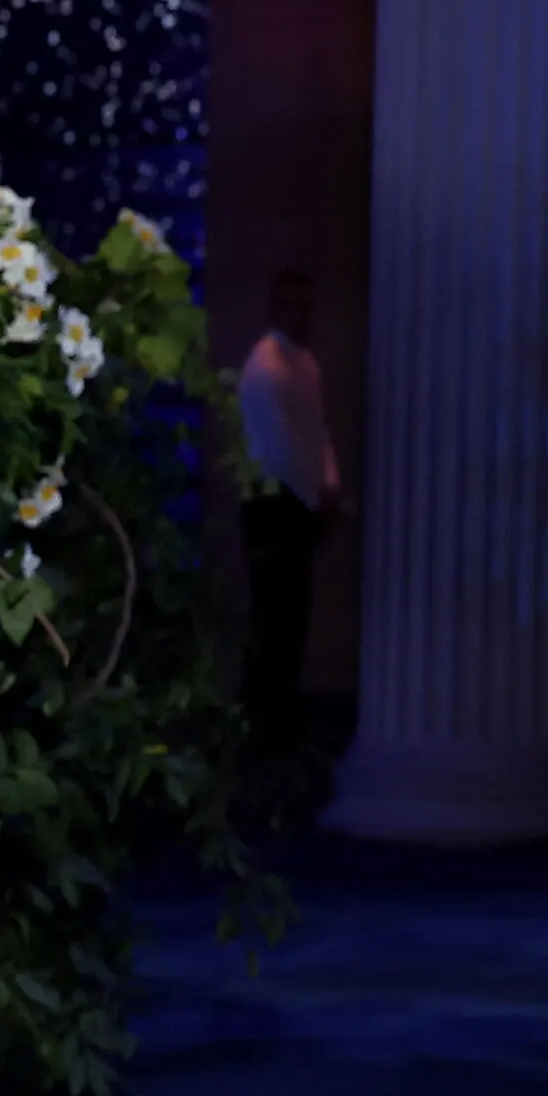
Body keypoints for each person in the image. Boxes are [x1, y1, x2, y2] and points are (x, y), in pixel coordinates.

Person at [231, 265, 339, 801]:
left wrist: (330, 486)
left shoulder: (305, 363)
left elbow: (317, 433)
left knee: (291, 614)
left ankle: (281, 721)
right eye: (290, 304)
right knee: (272, 615)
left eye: (305, 304)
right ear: (275, 308)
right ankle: (262, 729)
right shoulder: (265, 367)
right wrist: (315, 494)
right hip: (273, 503)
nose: (300, 314)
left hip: (298, 501)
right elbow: (278, 446)